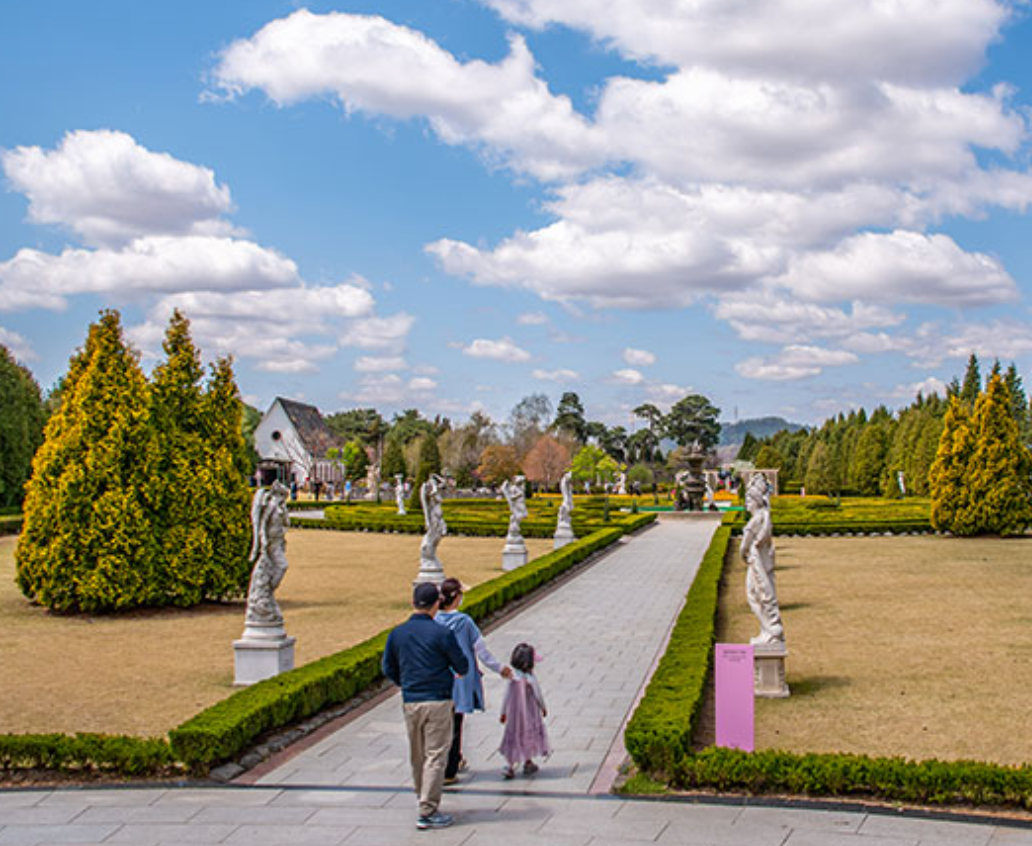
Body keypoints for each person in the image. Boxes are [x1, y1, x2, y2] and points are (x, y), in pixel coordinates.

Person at [382, 583, 469, 830]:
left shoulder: (397, 634)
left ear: (413, 603)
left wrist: (405, 683)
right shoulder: (442, 634)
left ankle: (423, 799)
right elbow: (461, 665)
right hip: (438, 700)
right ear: (435, 605)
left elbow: (388, 667)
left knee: (418, 755)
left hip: (411, 700)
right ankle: (427, 810)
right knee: (436, 755)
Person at [435, 578, 512, 784]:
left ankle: (452, 760)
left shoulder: (434, 620)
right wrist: (500, 668)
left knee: (441, 723)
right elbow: (482, 651)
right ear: (457, 597)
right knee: (455, 723)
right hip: (460, 677)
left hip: (439, 677)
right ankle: (449, 770)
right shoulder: (464, 622)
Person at [499, 642, 550, 779]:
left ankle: (510, 765)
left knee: (515, 736)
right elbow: (538, 694)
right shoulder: (531, 679)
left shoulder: (512, 678)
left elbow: (506, 696)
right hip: (530, 713)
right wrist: (543, 707)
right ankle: (527, 762)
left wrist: (503, 712)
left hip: (514, 715)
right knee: (528, 735)